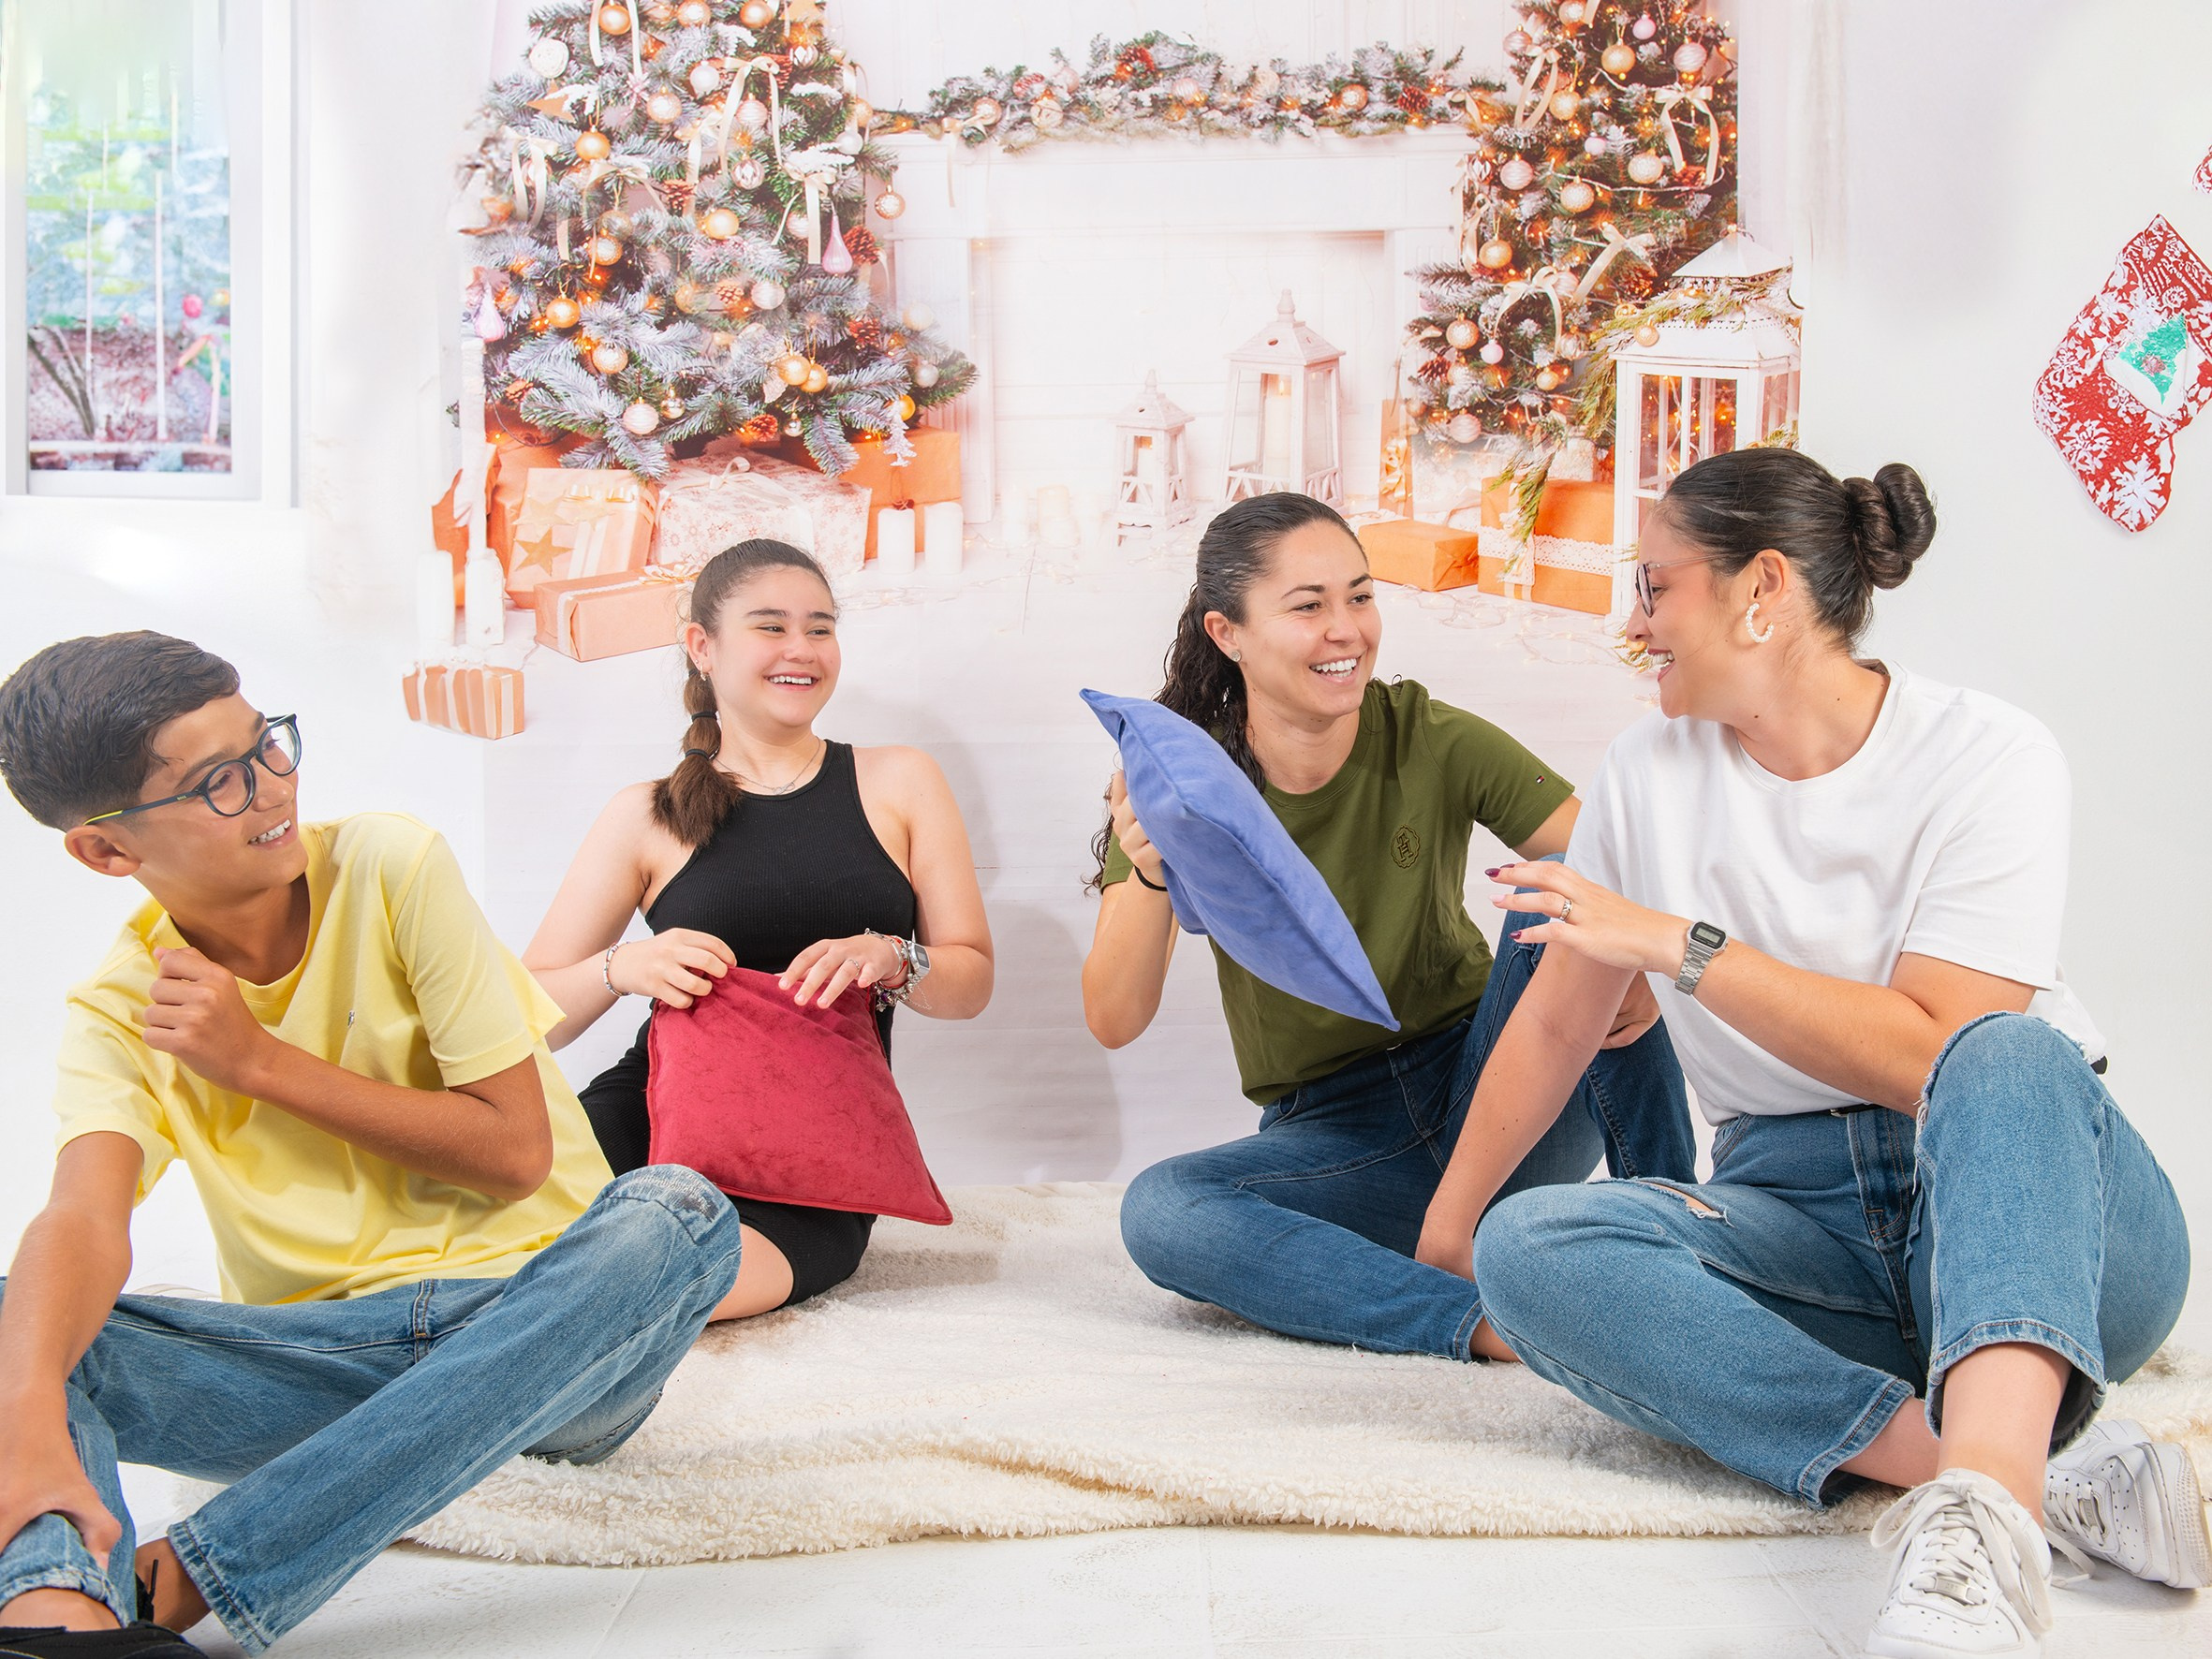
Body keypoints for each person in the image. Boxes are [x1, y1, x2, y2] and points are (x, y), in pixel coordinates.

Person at [1445, 449, 2202, 1658]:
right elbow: (1557, 1019)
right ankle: (2004, 1477)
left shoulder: (1988, 755)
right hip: (1800, 1217)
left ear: (1760, 591)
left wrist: (1682, 946)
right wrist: (1454, 1231)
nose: (1630, 623)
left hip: (2040, 1206)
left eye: (1653, 588)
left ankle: (1979, 1554)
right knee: (1530, 1248)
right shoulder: (1645, 772)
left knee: (1998, 1051)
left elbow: (1928, 1055)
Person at [0, 633, 744, 1659]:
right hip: (319, 1361)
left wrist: (256, 1061)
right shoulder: (124, 1008)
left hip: (547, 1344)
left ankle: (195, 1577)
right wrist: (27, 1407)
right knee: (22, 1322)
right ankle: (57, 1615)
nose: (270, 789)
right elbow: (83, 1214)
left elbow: (516, 1150)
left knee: (679, 1213)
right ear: (107, 849)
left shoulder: (392, 865)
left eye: (266, 746)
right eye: (217, 781)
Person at [1086, 491, 1695, 1361]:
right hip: (1339, 1142)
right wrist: (1148, 867)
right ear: (1228, 634)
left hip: (1500, 1090)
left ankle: (1689, 1244)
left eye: (1361, 597)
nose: (1347, 629)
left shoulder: (1431, 737)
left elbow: (1620, 882)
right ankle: (1486, 1327)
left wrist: (1634, 962)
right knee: (1163, 1211)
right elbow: (1114, 1017)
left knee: (1574, 911)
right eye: (1308, 606)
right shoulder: (1183, 781)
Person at [525, 539, 992, 1316]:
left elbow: (970, 980)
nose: (802, 651)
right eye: (771, 627)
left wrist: (891, 957)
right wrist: (623, 967)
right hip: (646, 1118)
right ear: (702, 647)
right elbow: (529, 1016)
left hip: (816, 1152)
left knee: (667, 1290)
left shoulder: (901, 780)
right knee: (502, 1260)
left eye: (821, 627)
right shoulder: (646, 814)